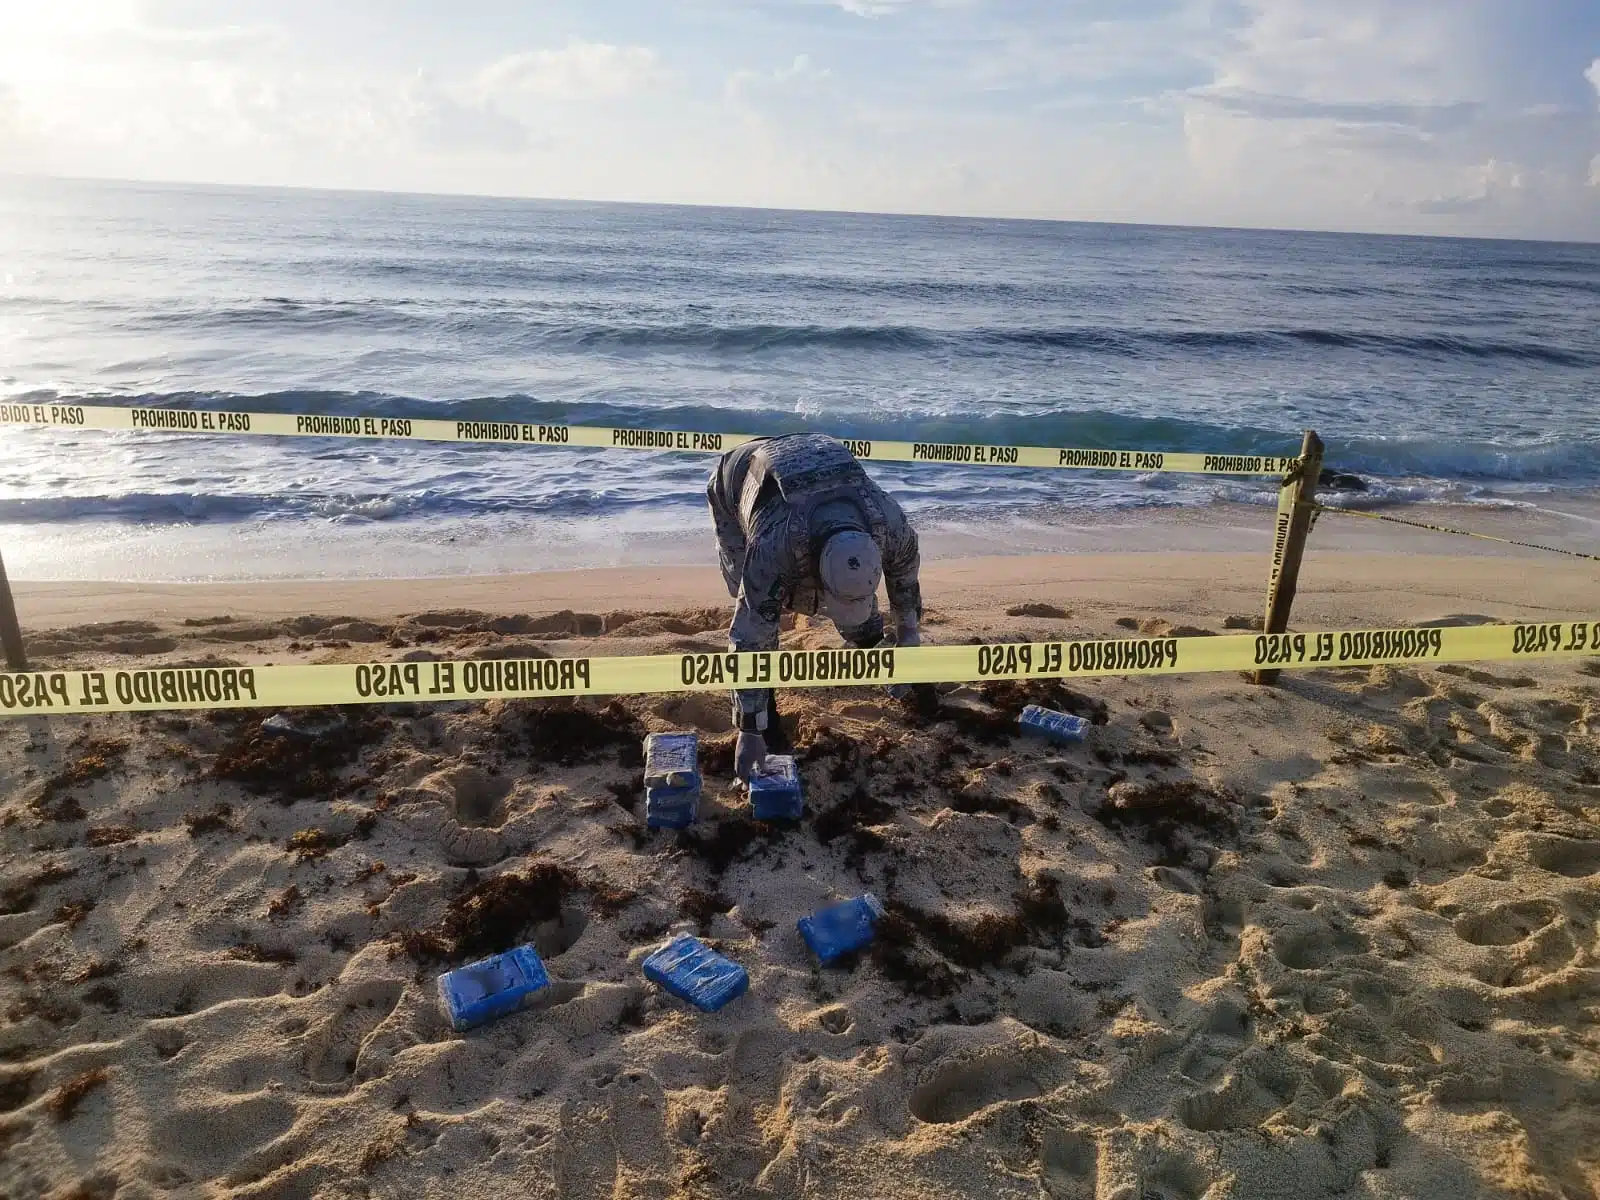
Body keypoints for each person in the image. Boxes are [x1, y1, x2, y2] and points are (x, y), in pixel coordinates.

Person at [706, 433, 932, 780]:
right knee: (751, 596)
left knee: (859, 620)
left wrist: (909, 634)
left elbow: (904, 574)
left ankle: (874, 647)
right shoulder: (772, 548)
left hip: (820, 463)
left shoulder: (889, 524)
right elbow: (750, 638)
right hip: (738, 477)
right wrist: (749, 731)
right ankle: (767, 716)